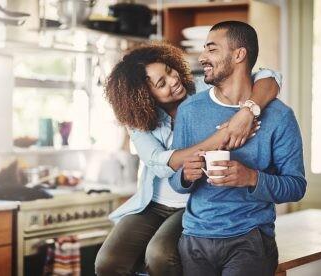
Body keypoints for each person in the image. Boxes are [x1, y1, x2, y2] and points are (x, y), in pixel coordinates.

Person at [95, 42, 282, 276]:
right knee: (107, 262)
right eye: (161, 83)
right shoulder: (138, 121)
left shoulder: (207, 89)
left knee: (160, 254)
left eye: (169, 71)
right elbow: (161, 162)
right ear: (143, 97)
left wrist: (247, 112)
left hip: (194, 203)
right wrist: (224, 134)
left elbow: (269, 77)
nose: (173, 80)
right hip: (153, 203)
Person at [170, 21, 306, 276]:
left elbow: (296, 186)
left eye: (211, 49)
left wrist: (251, 178)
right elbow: (175, 181)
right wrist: (185, 175)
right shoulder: (189, 111)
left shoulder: (279, 117)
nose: (202, 57)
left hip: (250, 240)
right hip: (195, 240)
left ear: (239, 54)